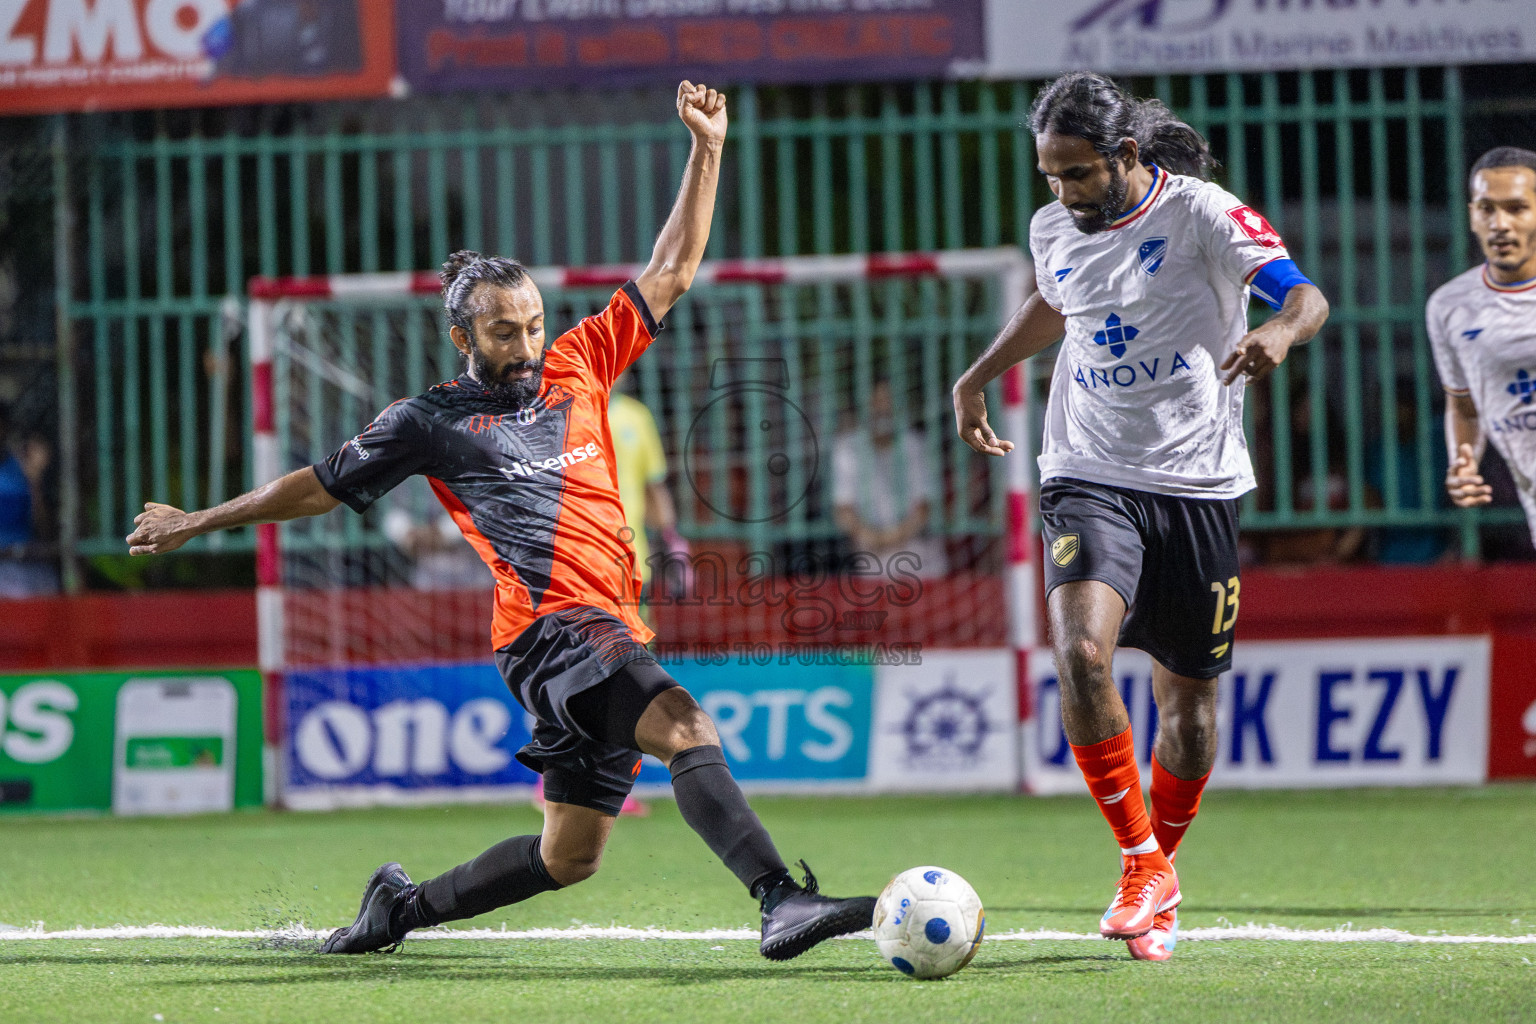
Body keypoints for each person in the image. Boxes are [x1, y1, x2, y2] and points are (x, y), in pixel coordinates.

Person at [127, 82, 875, 961]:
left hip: (606, 623)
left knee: (569, 856)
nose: (523, 347)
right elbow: (319, 485)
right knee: (686, 727)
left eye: (531, 326)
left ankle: (394, 912)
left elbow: (668, 272)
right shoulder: (427, 421)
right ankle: (781, 898)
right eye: (503, 334)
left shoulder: (581, 363)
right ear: (462, 338)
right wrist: (199, 521)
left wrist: (707, 148)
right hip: (551, 631)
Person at [950, 72, 1329, 961]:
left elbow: (1303, 294)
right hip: (1086, 469)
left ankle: (1160, 875)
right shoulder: (1056, 228)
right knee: (1080, 652)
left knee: (1188, 706)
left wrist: (1278, 331)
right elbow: (1058, 299)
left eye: (1077, 175)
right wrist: (977, 375)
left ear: (1124, 157)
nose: (1062, 194)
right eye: (1049, 177)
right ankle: (1136, 858)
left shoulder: (1201, 213)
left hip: (1196, 483)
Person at [1428, 147, 1536, 537]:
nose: (1500, 224)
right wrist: (1464, 461)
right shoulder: (1450, 306)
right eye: (1487, 208)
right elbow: (1466, 406)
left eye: (1516, 208)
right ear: (1472, 214)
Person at [832, 380, 947, 579]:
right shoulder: (848, 448)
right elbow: (843, 510)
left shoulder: (914, 444)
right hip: (873, 564)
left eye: (888, 401)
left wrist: (892, 537)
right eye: (877, 401)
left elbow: (924, 506)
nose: (883, 408)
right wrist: (871, 537)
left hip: (922, 562)